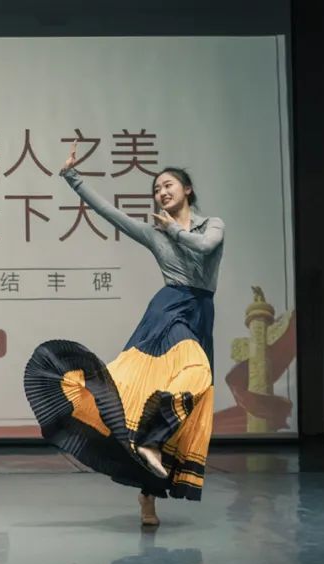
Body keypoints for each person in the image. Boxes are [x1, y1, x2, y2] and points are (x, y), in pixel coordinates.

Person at [24, 142, 225, 526]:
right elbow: (110, 213)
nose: (161, 192)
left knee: (174, 401)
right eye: (156, 189)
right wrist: (72, 177)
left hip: (201, 313)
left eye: (168, 185)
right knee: (197, 371)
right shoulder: (155, 233)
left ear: (187, 190)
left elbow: (205, 247)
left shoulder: (211, 225)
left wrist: (173, 230)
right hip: (169, 312)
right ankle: (149, 442)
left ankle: (148, 493)